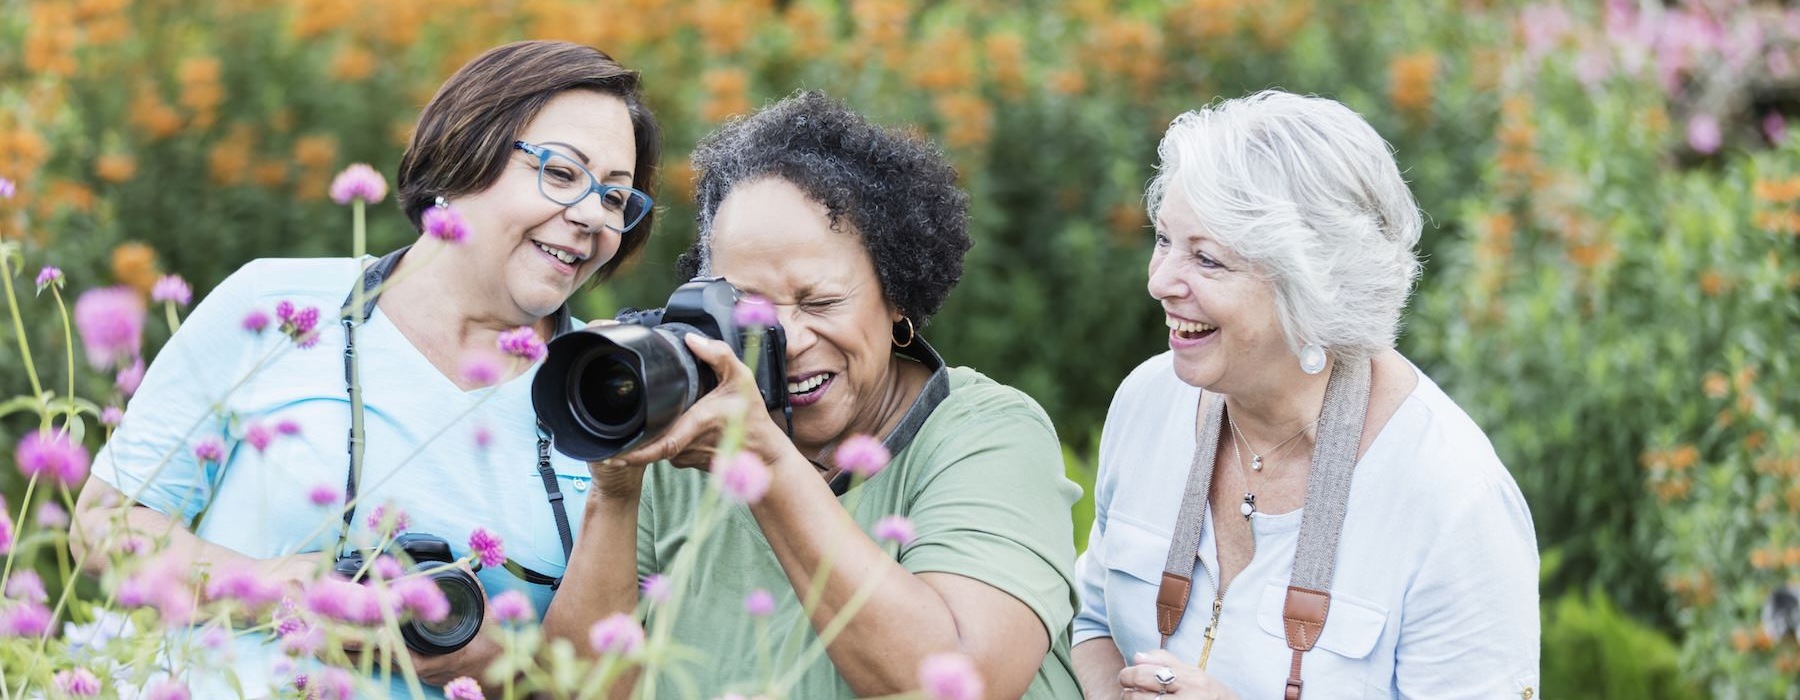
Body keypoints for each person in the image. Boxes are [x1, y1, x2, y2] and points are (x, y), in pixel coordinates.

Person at [73, 40, 661, 698]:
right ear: (466, 149)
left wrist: (495, 664)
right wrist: (292, 592)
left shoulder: (609, 395)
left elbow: (605, 685)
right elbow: (104, 525)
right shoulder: (275, 309)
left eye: (616, 198)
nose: (590, 216)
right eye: (561, 173)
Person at [544, 91, 1084, 698]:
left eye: (820, 302)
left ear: (898, 295)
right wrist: (613, 496)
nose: (788, 339)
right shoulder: (686, 440)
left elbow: (958, 683)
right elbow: (575, 690)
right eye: (748, 307)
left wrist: (766, 464)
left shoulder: (985, 432)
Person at [1071, 90, 1539, 699]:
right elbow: (1094, 623)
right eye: (1164, 240)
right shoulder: (1148, 401)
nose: (1159, 282)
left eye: (1207, 260)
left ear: (1315, 289)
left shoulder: (1452, 500)